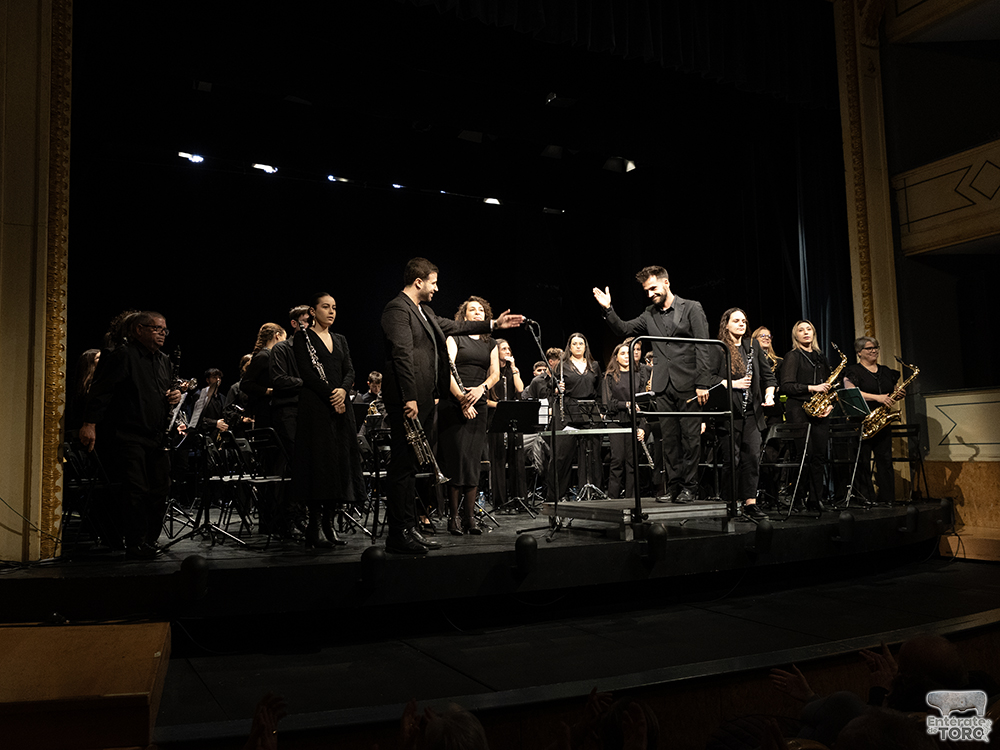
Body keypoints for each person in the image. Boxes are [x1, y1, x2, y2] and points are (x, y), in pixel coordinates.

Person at [380, 257, 522, 555]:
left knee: (411, 466)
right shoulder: (397, 309)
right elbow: (402, 355)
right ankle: (398, 532)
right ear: (418, 281)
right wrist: (408, 397)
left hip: (422, 398)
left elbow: (455, 325)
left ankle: (409, 528)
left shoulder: (425, 311)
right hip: (409, 399)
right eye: (433, 282)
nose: (436, 287)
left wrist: (494, 324)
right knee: (402, 467)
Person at [594, 266, 712, 504]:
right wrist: (608, 309)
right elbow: (624, 329)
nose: (650, 294)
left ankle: (690, 487)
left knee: (690, 438)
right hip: (663, 385)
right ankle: (675, 486)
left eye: (653, 289)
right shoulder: (649, 313)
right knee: (668, 440)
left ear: (666, 283)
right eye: (647, 290)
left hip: (689, 383)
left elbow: (704, 346)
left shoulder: (691, 307)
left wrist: (703, 382)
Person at [79, 311, 182, 559]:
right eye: (156, 328)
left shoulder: (164, 361)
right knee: (136, 489)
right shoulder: (122, 356)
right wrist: (89, 423)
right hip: (129, 434)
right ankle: (135, 543)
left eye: (164, 329)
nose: (162, 334)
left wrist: (174, 395)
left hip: (157, 435)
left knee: (160, 489)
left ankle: (149, 540)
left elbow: (165, 391)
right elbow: (101, 391)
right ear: (138, 330)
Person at [292, 293, 365, 548]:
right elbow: (307, 373)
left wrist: (343, 391)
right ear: (313, 311)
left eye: (334, 307)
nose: (331, 312)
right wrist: (332, 395)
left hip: (340, 408)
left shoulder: (340, 339)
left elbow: (350, 370)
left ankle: (329, 524)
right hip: (316, 409)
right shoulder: (302, 338)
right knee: (318, 466)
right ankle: (314, 527)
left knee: (338, 465)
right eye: (326, 307)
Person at [440, 296, 500, 535]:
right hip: (455, 401)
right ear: (464, 316)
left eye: (480, 310)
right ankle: (453, 518)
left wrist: (481, 389)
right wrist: (462, 399)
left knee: (473, 461)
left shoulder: (491, 342)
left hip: (480, 400)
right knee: (457, 459)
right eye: (471, 310)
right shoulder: (454, 337)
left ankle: (470, 518)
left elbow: (494, 373)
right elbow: (447, 369)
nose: (476, 313)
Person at [710, 309, 777, 520]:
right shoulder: (718, 348)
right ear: (726, 324)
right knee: (733, 459)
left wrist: (769, 395)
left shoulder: (753, 346)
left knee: (752, 458)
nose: (741, 324)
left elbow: (768, 376)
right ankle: (730, 502)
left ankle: (750, 503)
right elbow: (708, 378)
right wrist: (734, 384)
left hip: (752, 413)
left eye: (744, 321)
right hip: (729, 411)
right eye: (736, 321)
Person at [779, 320, 834, 513]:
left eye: (809, 329)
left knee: (819, 456)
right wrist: (811, 388)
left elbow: (829, 386)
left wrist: (829, 404)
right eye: (801, 330)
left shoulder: (820, 357)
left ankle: (816, 498)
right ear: (796, 336)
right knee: (804, 455)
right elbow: (786, 386)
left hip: (820, 410)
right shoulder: (793, 356)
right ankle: (798, 497)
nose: (805, 333)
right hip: (799, 410)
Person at [843, 337, 900, 506]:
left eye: (876, 347)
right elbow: (850, 391)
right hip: (862, 421)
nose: (874, 350)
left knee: (885, 460)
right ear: (859, 352)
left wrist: (897, 394)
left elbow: (893, 390)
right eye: (869, 348)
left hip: (882, 421)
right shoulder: (853, 371)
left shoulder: (886, 371)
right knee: (862, 460)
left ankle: (887, 498)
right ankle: (865, 498)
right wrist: (878, 398)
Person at [547, 333, 603, 503]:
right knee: (562, 456)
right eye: (575, 344)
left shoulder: (594, 366)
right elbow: (549, 389)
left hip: (589, 411)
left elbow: (599, 391)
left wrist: (600, 410)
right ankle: (556, 495)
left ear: (585, 346)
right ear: (569, 347)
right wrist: (557, 389)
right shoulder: (562, 366)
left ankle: (590, 492)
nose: (578, 346)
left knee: (592, 455)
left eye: (581, 343)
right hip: (566, 412)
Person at [603, 339, 648, 500]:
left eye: (628, 353)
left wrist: (642, 426)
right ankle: (613, 498)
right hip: (616, 421)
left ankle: (631, 498)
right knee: (617, 459)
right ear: (616, 357)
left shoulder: (639, 375)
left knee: (632, 462)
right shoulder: (609, 376)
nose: (626, 356)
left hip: (634, 422)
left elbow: (644, 403)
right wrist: (626, 404)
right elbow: (608, 403)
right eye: (622, 353)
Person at [487, 338, 527, 514]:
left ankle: (518, 500)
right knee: (498, 460)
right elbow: (485, 398)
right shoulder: (490, 372)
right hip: (496, 418)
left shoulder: (512, 371)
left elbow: (520, 389)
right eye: (504, 349)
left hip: (513, 419)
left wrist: (515, 368)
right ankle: (500, 502)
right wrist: (500, 406)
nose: (508, 352)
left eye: (509, 349)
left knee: (516, 459)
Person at [242, 323, 286, 430]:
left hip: (273, 410)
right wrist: (268, 391)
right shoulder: (263, 356)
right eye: (284, 339)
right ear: (277, 336)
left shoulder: (271, 356)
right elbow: (245, 384)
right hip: (265, 412)